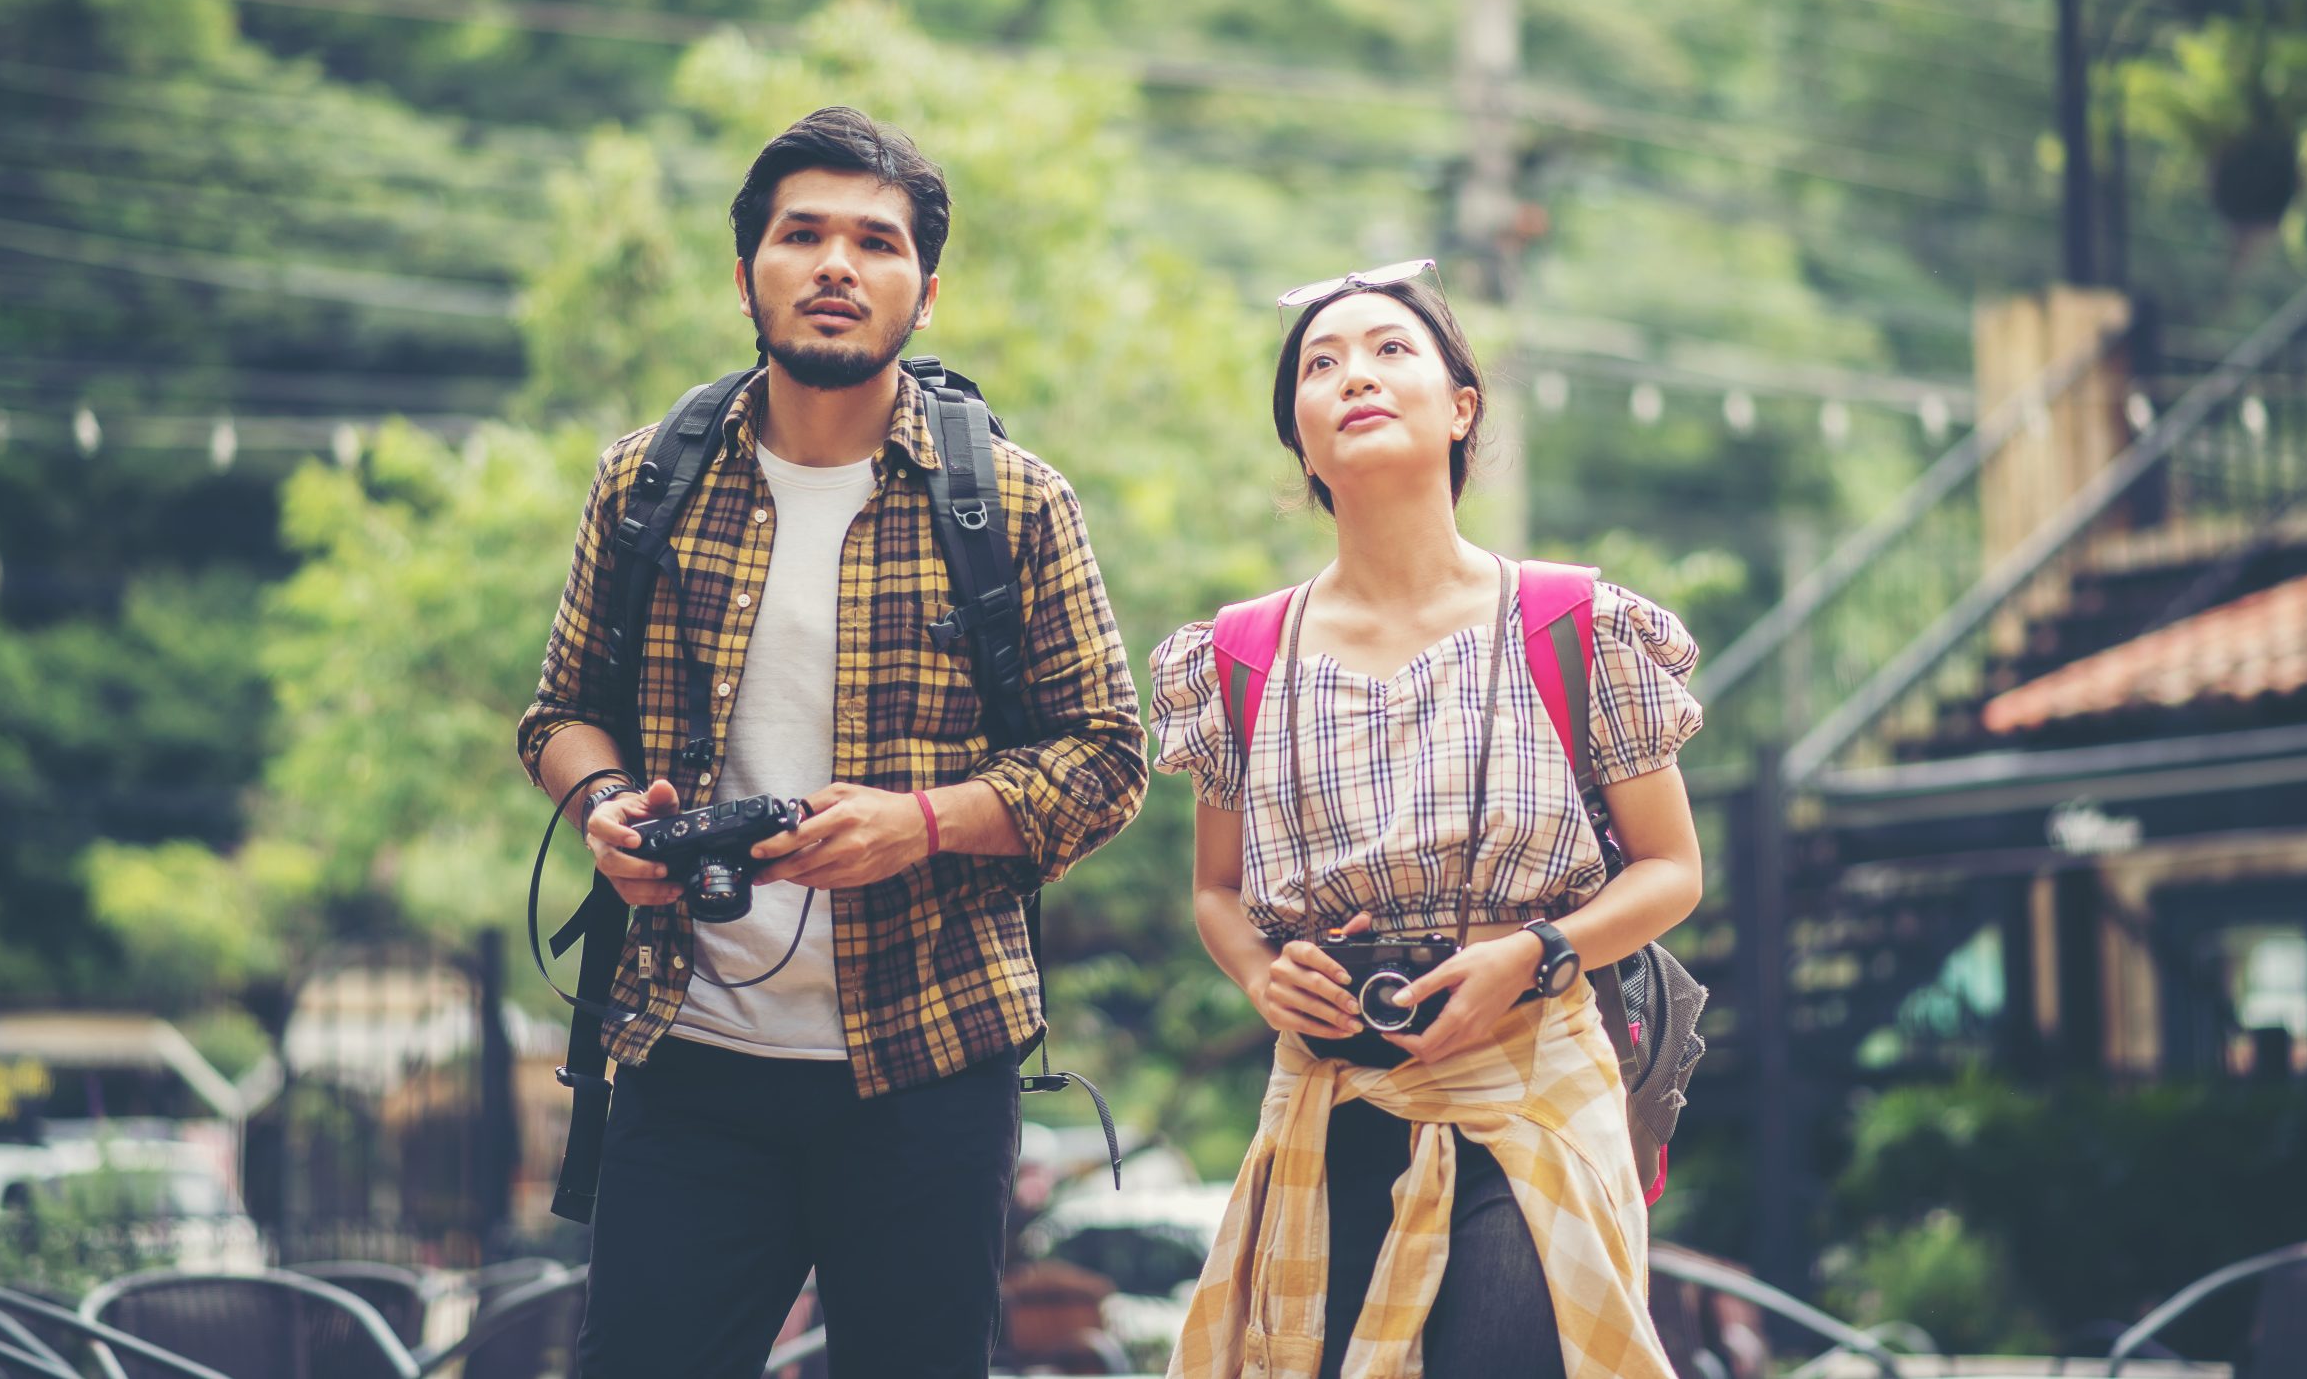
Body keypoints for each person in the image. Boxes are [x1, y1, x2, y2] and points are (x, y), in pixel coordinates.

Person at [518, 106, 1147, 1379]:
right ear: (745, 266)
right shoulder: (647, 480)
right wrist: (601, 806)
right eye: (801, 233)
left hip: (928, 1063)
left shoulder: (1013, 500)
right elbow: (559, 708)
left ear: (924, 291)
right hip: (684, 1052)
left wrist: (919, 822)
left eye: (877, 240)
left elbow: (1108, 756)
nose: (836, 264)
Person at [1149, 261, 1705, 1379]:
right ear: (1301, 443)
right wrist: (1264, 978)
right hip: (1331, 1095)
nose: (1353, 373)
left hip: (1533, 1078)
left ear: (1460, 408)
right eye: (1319, 363)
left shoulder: (1575, 624)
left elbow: (1669, 870)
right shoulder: (1238, 655)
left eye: (1390, 348)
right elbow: (1215, 889)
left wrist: (1529, 953)